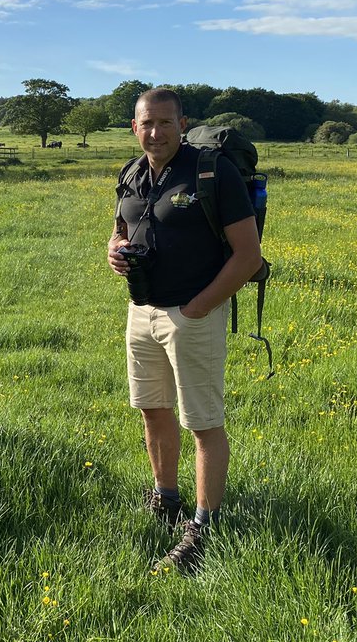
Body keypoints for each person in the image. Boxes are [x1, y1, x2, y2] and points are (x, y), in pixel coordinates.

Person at [107, 88, 263, 575]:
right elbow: (120, 228)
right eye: (145, 124)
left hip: (193, 314)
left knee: (202, 422)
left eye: (164, 123)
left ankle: (202, 528)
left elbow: (248, 256)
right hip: (141, 310)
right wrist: (113, 251)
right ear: (134, 127)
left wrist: (196, 309)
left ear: (182, 123)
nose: (154, 133)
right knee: (153, 410)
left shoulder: (212, 173)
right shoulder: (131, 174)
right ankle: (166, 498)